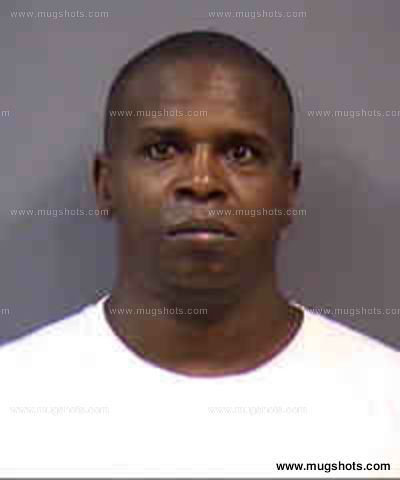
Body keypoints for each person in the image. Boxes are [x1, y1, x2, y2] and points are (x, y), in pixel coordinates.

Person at [1, 30, 399, 478]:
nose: (202, 182)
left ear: (289, 193)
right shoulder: (13, 400)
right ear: (105, 184)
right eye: (162, 150)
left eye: (241, 153)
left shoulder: (387, 406)